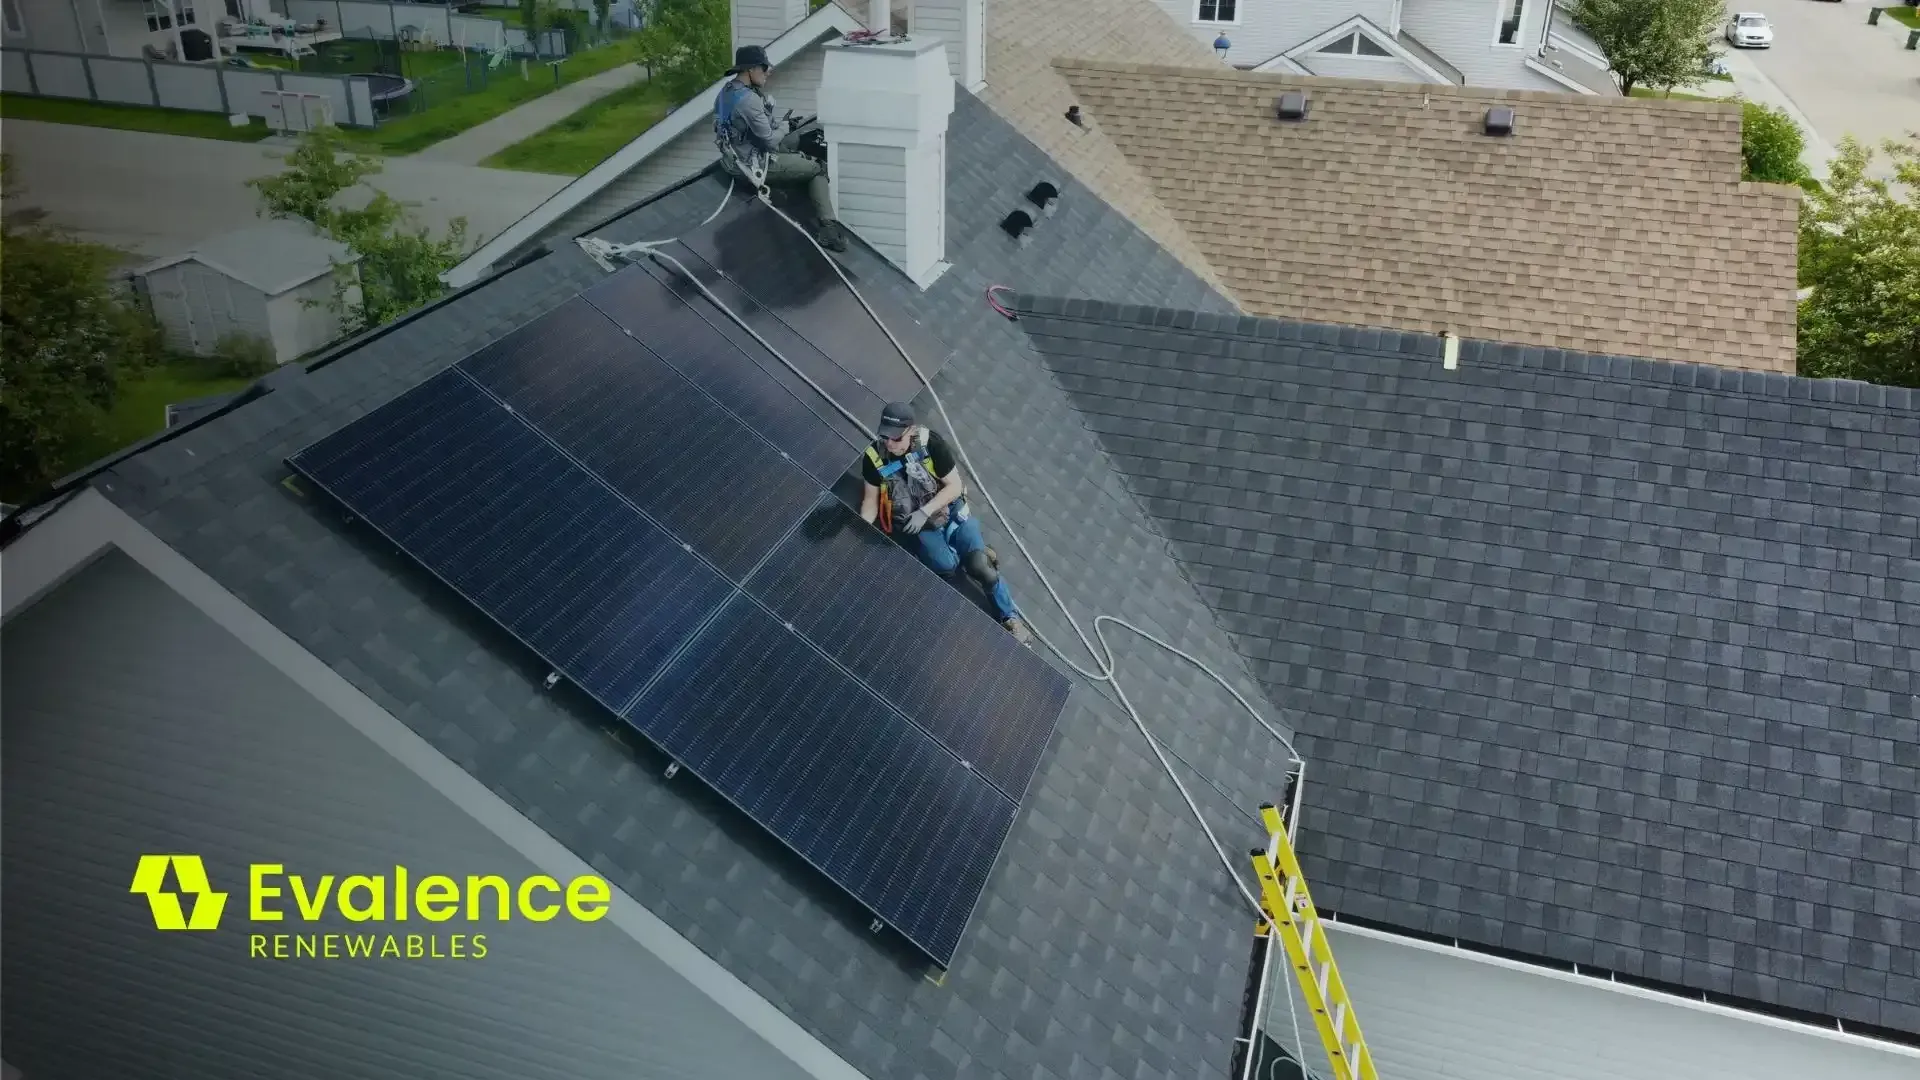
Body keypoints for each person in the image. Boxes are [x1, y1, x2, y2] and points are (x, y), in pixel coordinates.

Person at [860, 402, 1033, 645]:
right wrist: (859, 531)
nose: (890, 443)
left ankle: (1010, 617)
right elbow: (870, 501)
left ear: (911, 431)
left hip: (949, 511)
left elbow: (954, 486)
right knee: (947, 568)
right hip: (920, 526)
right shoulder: (874, 457)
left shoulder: (931, 444)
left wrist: (925, 510)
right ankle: (962, 551)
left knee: (980, 567)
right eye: (885, 436)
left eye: (896, 438)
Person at [712, 44, 848, 253]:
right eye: (764, 68)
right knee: (818, 168)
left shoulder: (727, 93)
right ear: (751, 69)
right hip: (753, 166)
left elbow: (754, 129)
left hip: (735, 158)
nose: (769, 72)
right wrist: (785, 126)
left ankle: (796, 160)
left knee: (796, 138)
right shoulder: (749, 100)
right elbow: (769, 141)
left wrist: (783, 127)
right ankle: (829, 229)